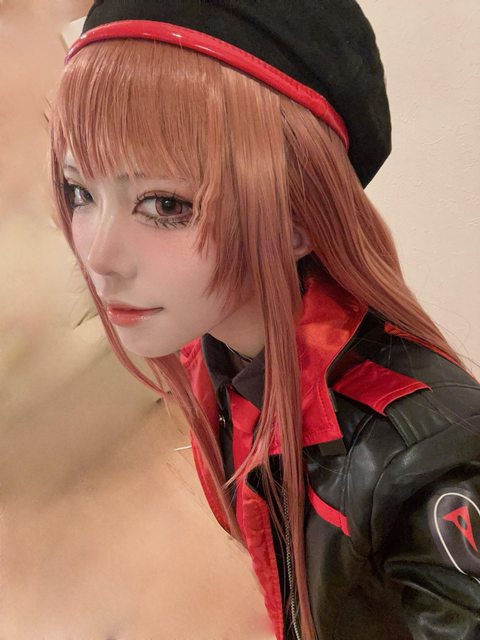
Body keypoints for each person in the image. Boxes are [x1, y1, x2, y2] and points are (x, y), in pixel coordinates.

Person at [49, 1, 480, 638]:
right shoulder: (220, 365)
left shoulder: (424, 463)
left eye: (165, 204)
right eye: (80, 192)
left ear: (298, 220)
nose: (98, 256)